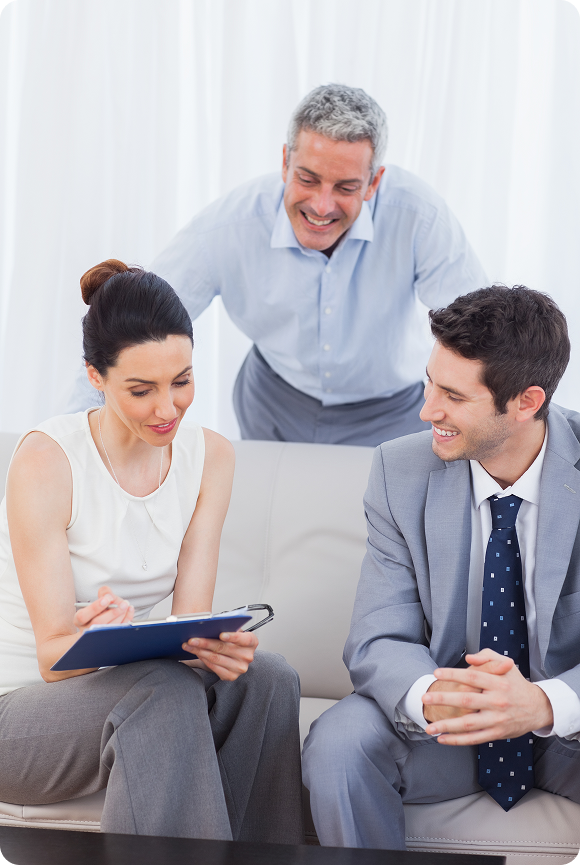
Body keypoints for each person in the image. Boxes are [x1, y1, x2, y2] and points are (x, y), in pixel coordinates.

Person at [0, 259, 303, 843]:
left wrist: (213, 648)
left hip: (130, 684)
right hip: (23, 710)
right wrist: (95, 640)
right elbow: (52, 659)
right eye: (141, 390)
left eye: (182, 381)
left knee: (268, 678)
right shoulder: (47, 459)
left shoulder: (210, 458)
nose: (168, 409)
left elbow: (187, 630)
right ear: (96, 376)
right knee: (159, 694)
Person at [302, 284, 580, 849]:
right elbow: (378, 634)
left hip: (567, 735)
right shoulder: (398, 472)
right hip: (445, 732)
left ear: (527, 401)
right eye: (431, 383)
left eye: (453, 395)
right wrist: (432, 693)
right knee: (340, 741)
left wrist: (544, 702)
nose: (428, 410)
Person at [67, 84, 487, 447]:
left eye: (345, 187)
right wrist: (68, 439)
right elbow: (129, 322)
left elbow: (480, 335)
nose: (322, 206)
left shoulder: (420, 216)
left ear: (374, 183)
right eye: (307, 179)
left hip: (390, 411)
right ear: (285, 162)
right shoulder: (228, 227)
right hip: (273, 402)